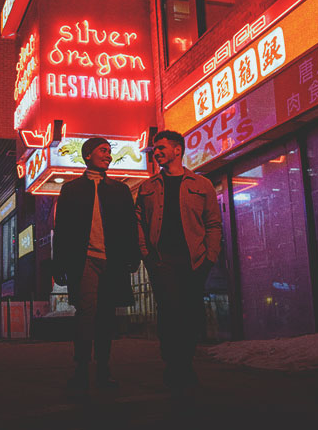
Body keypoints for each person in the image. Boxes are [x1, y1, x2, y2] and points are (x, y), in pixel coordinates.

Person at [135, 130, 222, 397]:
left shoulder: (202, 184)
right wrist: (146, 255)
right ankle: (176, 366)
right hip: (162, 262)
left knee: (191, 315)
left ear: (177, 150)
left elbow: (213, 224)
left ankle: (182, 365)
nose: (156, 152)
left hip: (195, 261)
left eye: (161, 148)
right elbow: (138, 223)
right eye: (155, 149)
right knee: (170, 313)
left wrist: (210, 257)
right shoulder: (148, 187)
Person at [52, 137, 139, 391]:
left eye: (110, 152)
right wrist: (59, 266)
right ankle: (81, 369)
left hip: (111, 262)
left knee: (106, 317)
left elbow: (129, 228)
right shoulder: (71, 189)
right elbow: (63, 230)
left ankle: (103, 369)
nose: (108, 156)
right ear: (87, 154)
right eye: (103, 150)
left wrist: (132, 257)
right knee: (86, 314)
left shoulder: (120, 190)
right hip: (85, 261)